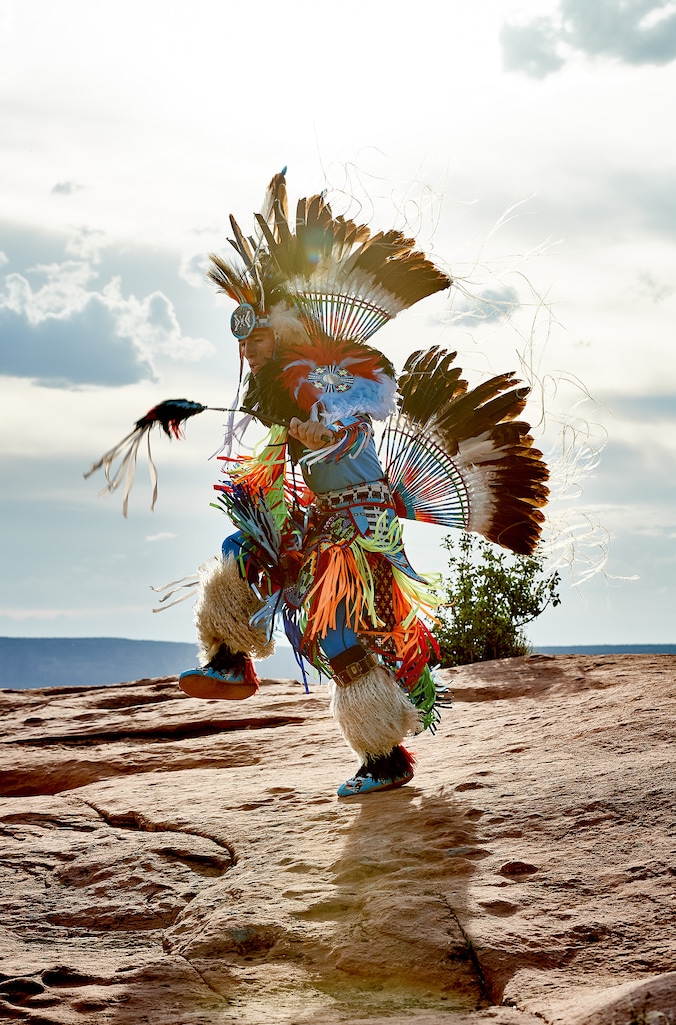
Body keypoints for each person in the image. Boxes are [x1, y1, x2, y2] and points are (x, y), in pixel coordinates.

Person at [86, 171, 550, 798]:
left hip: (360, 531)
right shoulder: (282, 387)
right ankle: (230, 661)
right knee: (239, 551)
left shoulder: (335, 378)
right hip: (319, 521)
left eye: (254, 334)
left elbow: (352, 427)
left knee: (336, 636)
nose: (247, 347)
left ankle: (385, 756)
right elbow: (288, 449)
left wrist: (319, 434)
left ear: (280, 327)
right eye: (240, 338)